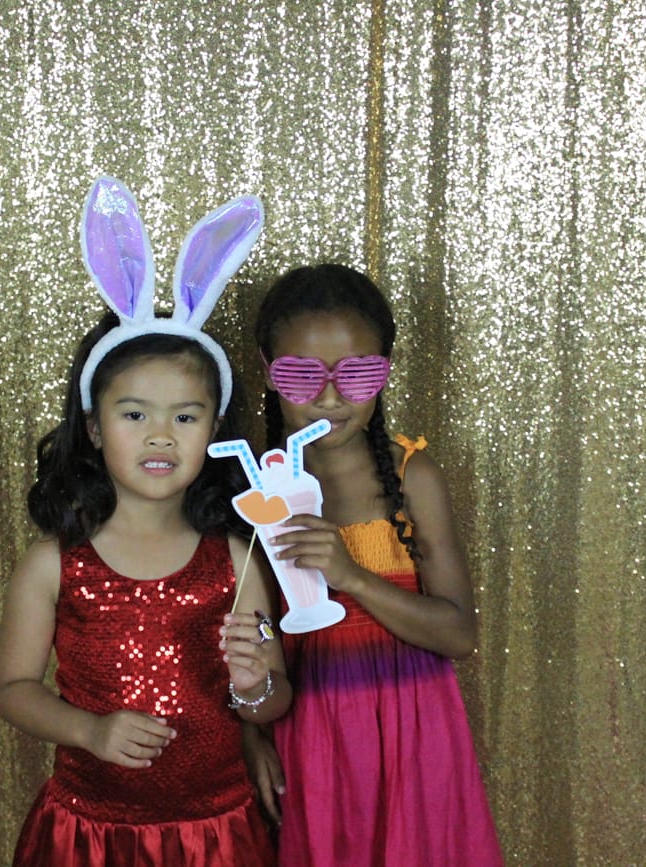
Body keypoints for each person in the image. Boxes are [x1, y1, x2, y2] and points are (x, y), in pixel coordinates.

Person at [0, 178, 288, 866]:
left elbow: (272, 696)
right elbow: (10, 688)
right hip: (91, 837)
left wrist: (253, 686)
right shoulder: (54, 564)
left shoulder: (236, 558)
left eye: (184, 415)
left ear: (214, 429)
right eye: (134, 414)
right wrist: (89, 731)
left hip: (218, 836)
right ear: (95, 428)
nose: (160, 435)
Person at [245, 263, 502, 866]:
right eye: (301, 375)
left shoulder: (414, 478)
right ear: (267, 370)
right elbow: (244, 637)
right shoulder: (252, 493)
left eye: (357, 375)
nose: (330, 399)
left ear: (385, 370)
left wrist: (353, 576)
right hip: (310, 737)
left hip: (415, 737)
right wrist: (248, 735)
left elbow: (458, 634)